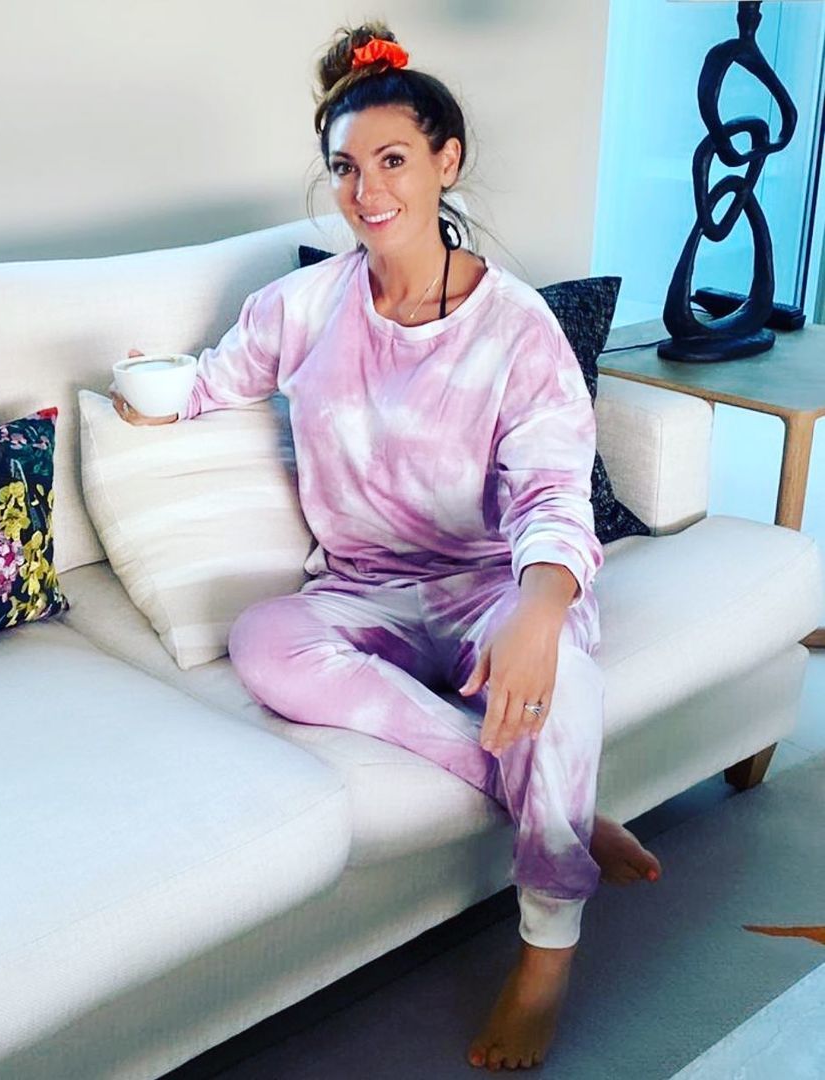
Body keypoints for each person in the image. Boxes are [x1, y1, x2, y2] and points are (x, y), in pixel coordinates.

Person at [112, 22, 662, 1072]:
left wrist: (541, 612)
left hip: (497, 586)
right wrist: (147, 394)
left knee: (563, 686)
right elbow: (211, 380)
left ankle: (545, 956)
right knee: (266, 640)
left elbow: (553, 491)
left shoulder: (517, 328)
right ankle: (546, 800)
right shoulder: (301, 306)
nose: (367, 191)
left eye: (393, 160)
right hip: (363, 592)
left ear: (446, 160)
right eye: (345, 168)